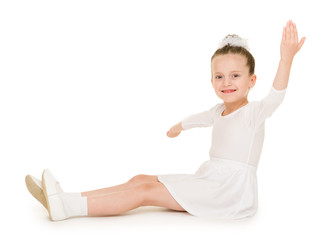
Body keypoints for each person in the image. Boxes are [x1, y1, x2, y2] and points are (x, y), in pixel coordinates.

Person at [25, 20, 305, 221]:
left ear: (251, 80)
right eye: (219, 76)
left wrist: (286, 60)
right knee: (141, 178)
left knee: (146, 192)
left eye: (235, 76)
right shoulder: (219, 110)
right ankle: (68, 195)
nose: (226, 82)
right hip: (211, 178)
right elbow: (200, 119)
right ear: (211, 80)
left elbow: (276, 96)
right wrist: (179, 127)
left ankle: (68, 206)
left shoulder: (255, 112)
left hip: (229, 191)